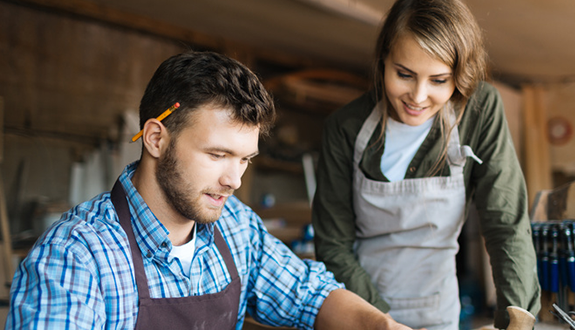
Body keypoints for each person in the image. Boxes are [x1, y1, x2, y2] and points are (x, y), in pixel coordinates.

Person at [7, 51, 421, 330]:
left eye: (245, 159)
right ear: (155, 138)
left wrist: (381, 326)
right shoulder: (76, 257)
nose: (234, 179)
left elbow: (309, 294)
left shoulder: (236, 227)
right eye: (218, 154)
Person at [311, 0, 541, 329]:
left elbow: (506, 224)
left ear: (459, 76)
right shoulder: (345, 127)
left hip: (439, 309)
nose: (418, 97)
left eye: (439, 80)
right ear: (383, 61)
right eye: (404, 74)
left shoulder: (480, 110)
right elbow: (333, 244)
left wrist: (516, 317)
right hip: (359, 306)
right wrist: (379, 320)